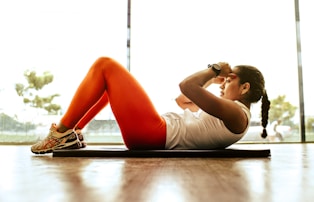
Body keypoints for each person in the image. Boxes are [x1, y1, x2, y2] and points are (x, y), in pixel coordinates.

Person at [31, 57, 270, 154]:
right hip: (155, 131)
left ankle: (59, 133)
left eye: (229, 80)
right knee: (107, 85)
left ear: (245, 88)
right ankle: (72, 133)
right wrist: (211, 78)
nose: (222, 84)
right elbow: (184, 100)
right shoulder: (228, 113)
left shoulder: (237, 114)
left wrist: (214, 69)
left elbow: (186, 86)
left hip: (154, 133)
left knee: (105, 65)